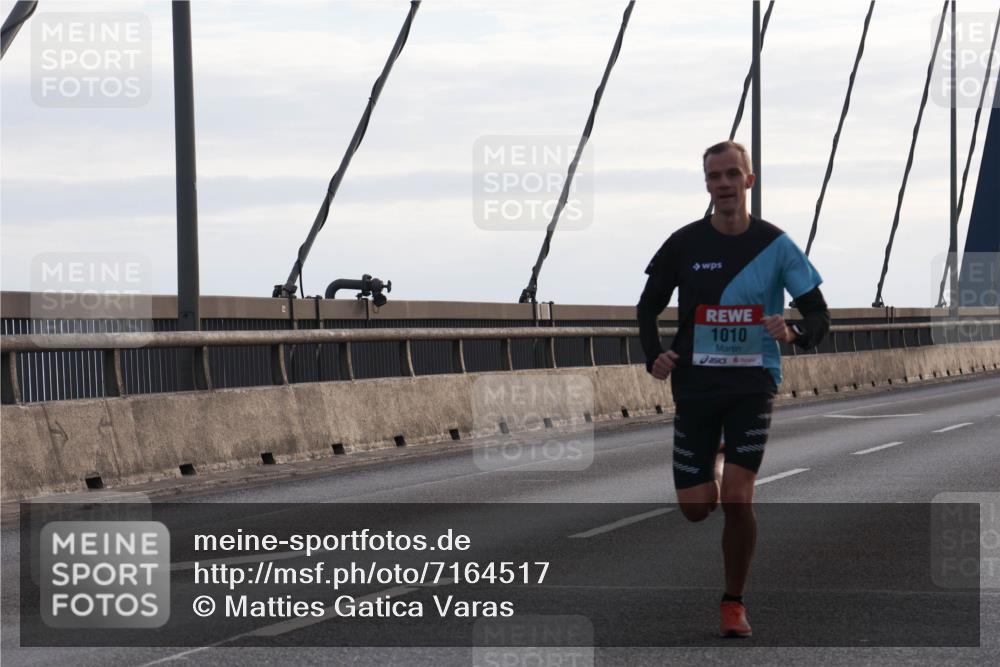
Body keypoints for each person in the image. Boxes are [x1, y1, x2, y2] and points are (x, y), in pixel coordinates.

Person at [636, 140, 830, 638]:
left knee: (740, 500)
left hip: (752, 383)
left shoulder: (776, 245)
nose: (723, 184)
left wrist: (793, 332)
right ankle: (717, 462)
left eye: (731, 174)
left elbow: (818, 314)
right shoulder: (683, 243)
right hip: (696, 384)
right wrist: (654, 354)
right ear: (706, 184)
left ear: (749, 180)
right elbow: (647, 307)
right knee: (696, 509)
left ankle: (733, 602)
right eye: (713, 176)